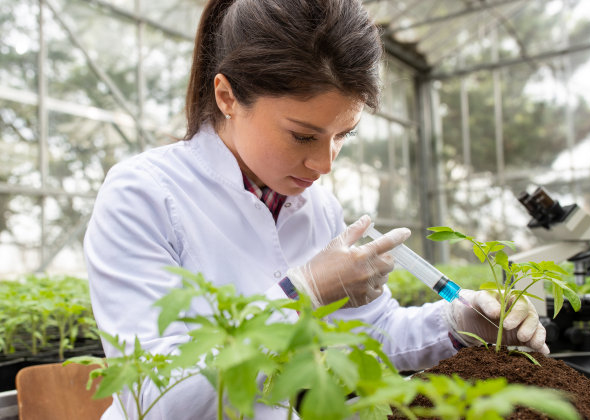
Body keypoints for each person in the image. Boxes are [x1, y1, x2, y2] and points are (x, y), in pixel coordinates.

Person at [84, 0, 549, 419]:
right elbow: (161, 399)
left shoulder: (317, 205)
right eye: (303, 135)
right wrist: (301, 293)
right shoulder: (143, 194)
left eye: (344, 135)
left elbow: (370, 337)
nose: (324, 164)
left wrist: (456, 325)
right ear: (226, 96)